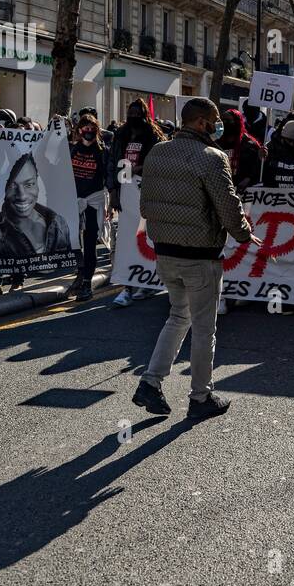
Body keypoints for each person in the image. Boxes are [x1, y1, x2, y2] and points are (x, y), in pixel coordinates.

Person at [132, 98, 260, 421]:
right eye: (215, 121)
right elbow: (229, 207)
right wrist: (245, 234)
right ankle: (200, 396)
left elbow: (145, 207)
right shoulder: (212, 158)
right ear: (202, 123)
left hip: (165, 254)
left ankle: (151, 381)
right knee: (204, 328)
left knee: (178, 316)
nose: (219, 127)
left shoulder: (157, 152)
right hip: (200, 257)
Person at [108, 100, 165, 308]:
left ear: (144, 115)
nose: (133, 116)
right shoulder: (120, 135)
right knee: (127, 239)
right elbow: (112, 163)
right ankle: (127, 285)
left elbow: (159, 161)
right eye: (130, 112)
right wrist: (113, 191)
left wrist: (139, 168)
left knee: (148, 238)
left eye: (137, 113)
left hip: (146, 192)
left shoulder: (154, 136)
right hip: (125, 193)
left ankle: (149, 281)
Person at [0, 152, 72, 272]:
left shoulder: (58, 224)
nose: (22, 196)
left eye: (29, 184)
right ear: (3, 189)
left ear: (38, 184)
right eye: (12, 186)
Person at [68, 113, 109, 302]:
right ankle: (80, 273)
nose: (89, 132)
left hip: (93, 201)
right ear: (78, 131)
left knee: (90, 243)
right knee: (74, 243)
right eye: (85, 128)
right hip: (73, 201)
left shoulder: (102, 152)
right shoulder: (71, 150)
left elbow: (107, 178)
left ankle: (86, 283)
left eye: (92, 129)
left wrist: (111, 202)